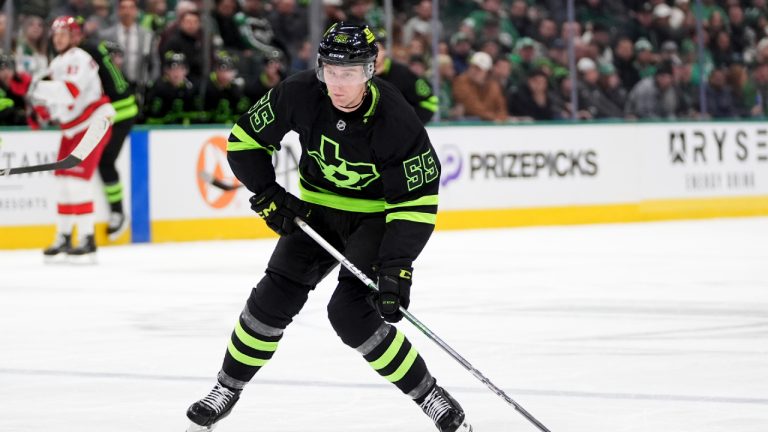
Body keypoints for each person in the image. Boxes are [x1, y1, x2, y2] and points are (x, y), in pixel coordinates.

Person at [185, 23, 472, 432]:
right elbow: (244, 141)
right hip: (317, 211)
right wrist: (268, 193)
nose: (337, 84)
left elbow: (416, 202)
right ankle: (226, 389)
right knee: (271, 299)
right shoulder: (300, 92)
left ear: (369, 70)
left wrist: (396, 267)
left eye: (348, 73)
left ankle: (430, 396)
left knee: (350, 313)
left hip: (375, 218)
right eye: (330, 71)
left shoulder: (396, 119)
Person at [30, 16, 115, 261]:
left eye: (64, 34)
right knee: (63, 181)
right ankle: (64, 235)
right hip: (73, 128)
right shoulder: (57, 62)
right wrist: (41, 109)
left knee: (77, 181)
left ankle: (87, 237)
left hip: (93, 123)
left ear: (75, 36)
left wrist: (35, 88)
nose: (58, 38)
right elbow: (54, 105)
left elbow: (69, 92)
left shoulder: (79, 58)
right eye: (56, 34)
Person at [78, 38, 138, 240]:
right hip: (115, 113)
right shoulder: (97, 56)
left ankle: (118, 212)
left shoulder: (91, 58)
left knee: (105, 162)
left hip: (118, 116)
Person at [374, 35, 438, 124]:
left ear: (385, 51)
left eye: (376, 49)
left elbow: (430, 101)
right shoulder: (358, 75)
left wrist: (407, 124)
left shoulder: (402, 73)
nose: (372, 54)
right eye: (367, 49)